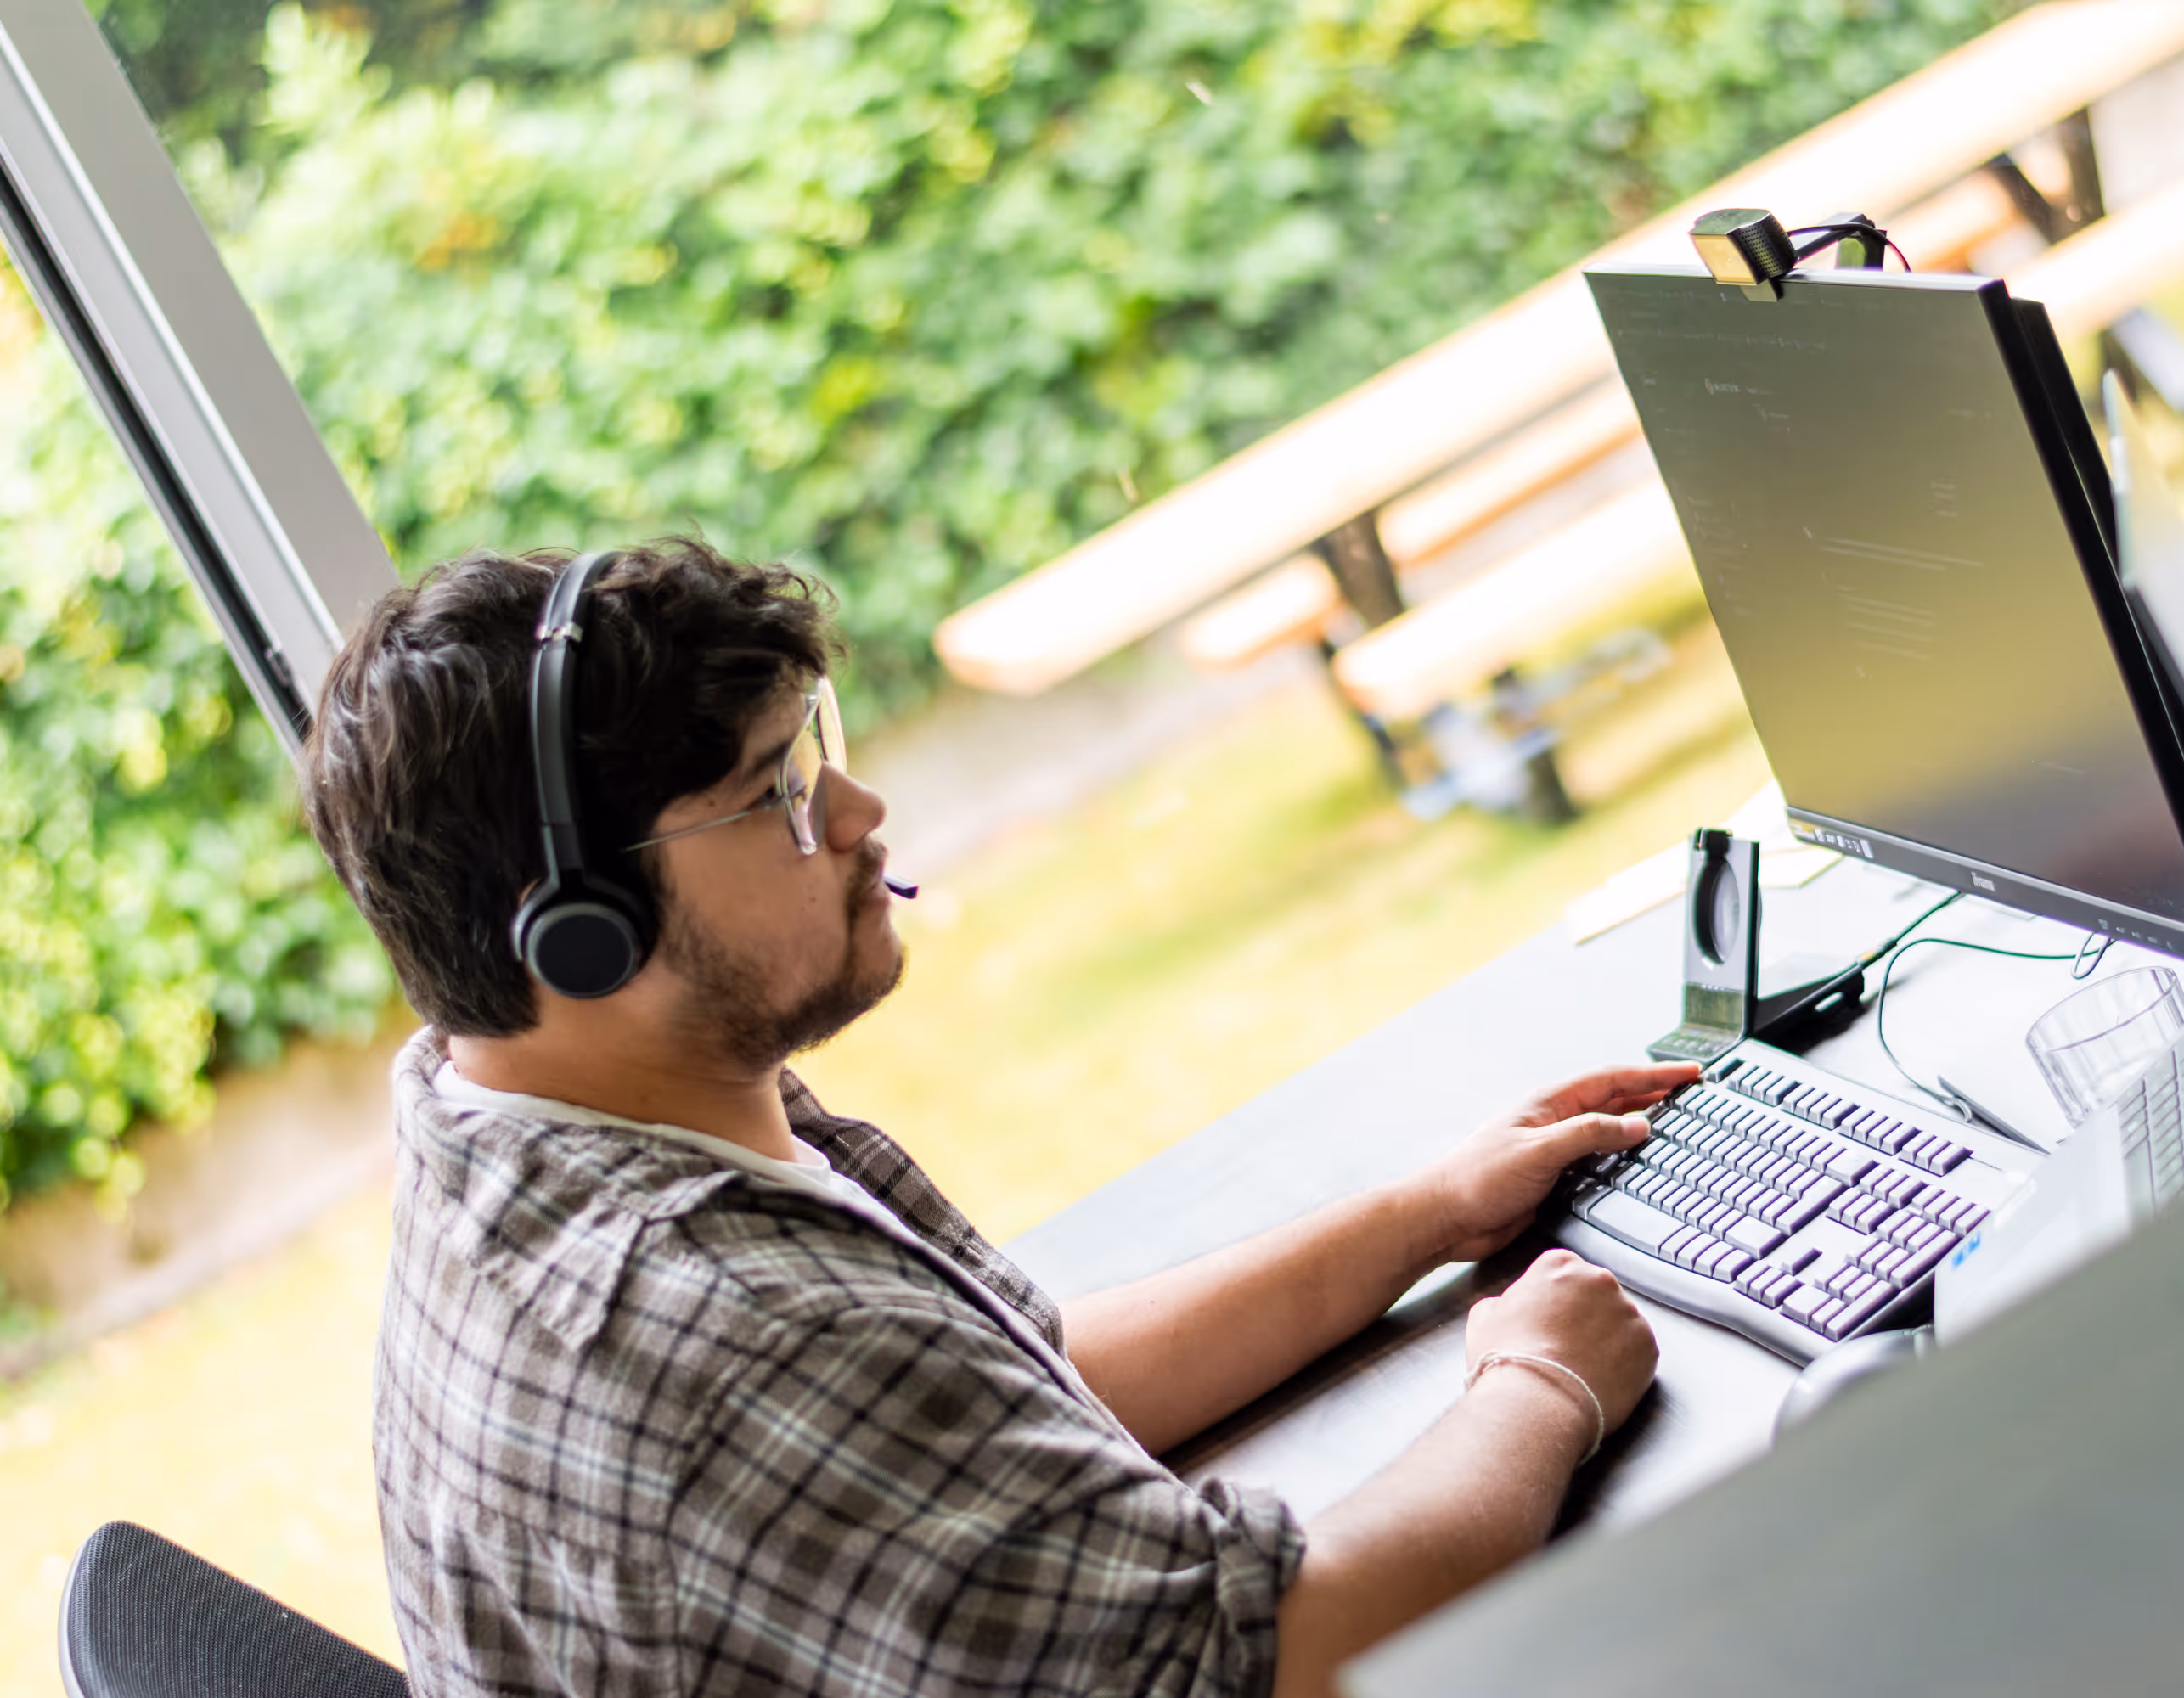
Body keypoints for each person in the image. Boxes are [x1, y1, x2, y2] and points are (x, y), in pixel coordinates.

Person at [303, 538, 1691, 1697]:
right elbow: (1263, 1662)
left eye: (814, 752)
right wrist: (1540, 1385)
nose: (855, 811)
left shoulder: (525, 1117)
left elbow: (1005, 1379)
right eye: (773, 794)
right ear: (584, 939)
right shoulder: (731, 1333)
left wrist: (1425, 1217)